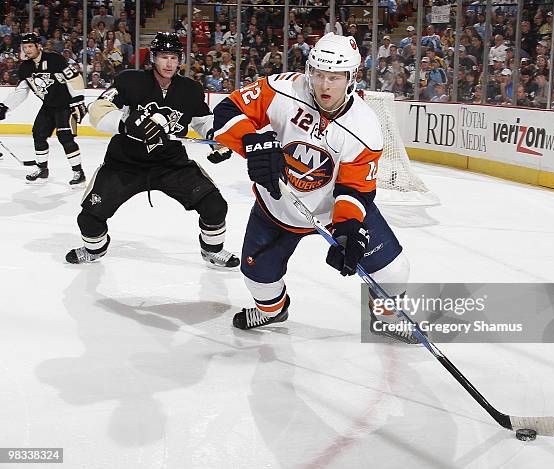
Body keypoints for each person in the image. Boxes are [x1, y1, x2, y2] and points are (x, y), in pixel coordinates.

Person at [211, 33, 412, 342]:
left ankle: (384, 314)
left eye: (334, 77)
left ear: (350, 78)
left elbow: (356, 187)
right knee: (258, 279)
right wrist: (252, 143)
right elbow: (227, 111)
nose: (324, 85)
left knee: (394, 271)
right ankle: (271, 311)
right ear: (309, 71)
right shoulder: (282, 88)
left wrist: (347, 228)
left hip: (332, 210)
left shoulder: (366, 127)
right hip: (277, 203)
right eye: (319, 74)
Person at [65, 32, 238, 269]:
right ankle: (94, 249)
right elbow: (98, 108)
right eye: (164, 57)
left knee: (215, 206)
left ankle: (212, 250)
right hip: (124, 164)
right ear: (154, 58)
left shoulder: (190, 89)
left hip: (171, 165)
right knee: (89, 218)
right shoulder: (130, 81)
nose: (169, 63)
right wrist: (124, 124)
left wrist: (216, 137)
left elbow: (203, 120)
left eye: (174, 57)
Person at [0, 32, 87, 186]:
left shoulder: (54, 59)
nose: (27, 50)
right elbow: (21, 91)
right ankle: (42, 169)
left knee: (65, 138)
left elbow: (74, 77)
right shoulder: (25, 68)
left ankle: (78, 172)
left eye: (30, 46)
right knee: (38, 134)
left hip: (64, 105)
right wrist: (5, 107)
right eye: (24, 47)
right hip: (48, 106)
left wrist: (78, 100)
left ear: (38, 46)